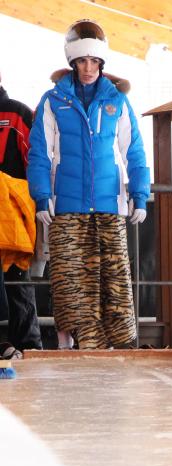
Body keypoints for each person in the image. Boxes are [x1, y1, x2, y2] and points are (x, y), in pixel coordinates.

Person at [27, 19, 150, 350]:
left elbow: (134, 152)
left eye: (94, 61)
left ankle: (112, 342)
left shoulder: (117, 102)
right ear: (72, 62)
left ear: (102, 63)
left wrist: (139, 194)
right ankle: (70, 340)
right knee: (70, 280)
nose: (88, 68)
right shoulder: (54, 101)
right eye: (82, 61)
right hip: (66, 206)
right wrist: (41, 197)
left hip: (109, 203)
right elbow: (39, 154)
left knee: (113, 280)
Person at [0, 76, 43, 359]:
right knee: (17, 280)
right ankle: (20, 345)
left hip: (15, 214)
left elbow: (35, 161)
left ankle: (29, 345)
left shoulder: (17, 113)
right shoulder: (17, 111)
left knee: (18, 279)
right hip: (15, 214)